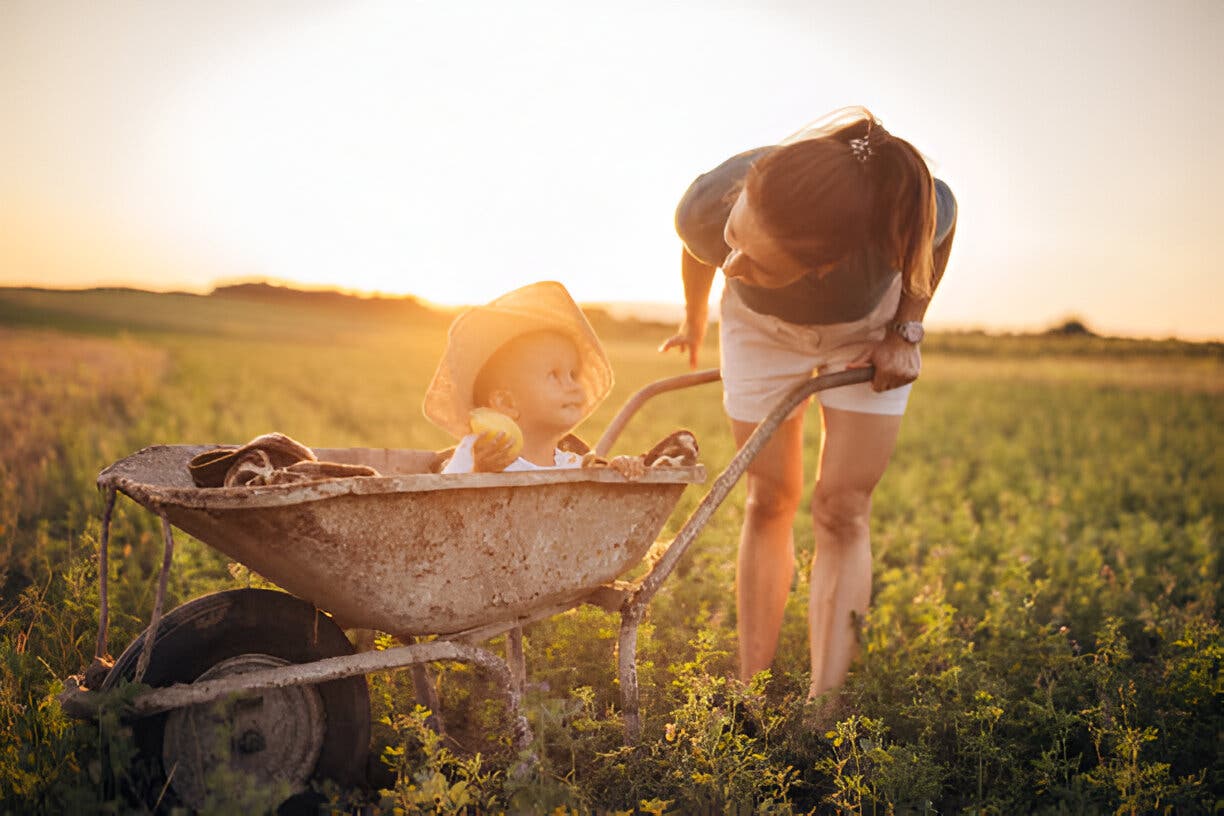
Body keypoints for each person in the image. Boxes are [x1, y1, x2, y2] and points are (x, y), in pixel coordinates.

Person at [660, 107, 958, 703]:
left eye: (758, 261)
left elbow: (941, 228)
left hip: (865, 327)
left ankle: (825, 710)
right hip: (761, 329)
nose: (734, 265)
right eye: (735, 237)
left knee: (842, 509)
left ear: (823, 268)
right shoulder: (708, 204)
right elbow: (703, 250)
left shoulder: (897, 214)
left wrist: (905, 331)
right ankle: (752, 695)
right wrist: (696, 320)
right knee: (770, 498)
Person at [424, 280, 645, 477]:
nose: (573, 386)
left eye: (573, 374)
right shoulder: (475, 452)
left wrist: (616, 471)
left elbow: (594, 501)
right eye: (554, 375)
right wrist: (479, 474)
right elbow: (446, 506)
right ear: (506, 402)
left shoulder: (571, 463)